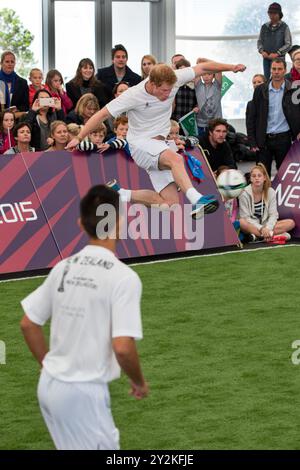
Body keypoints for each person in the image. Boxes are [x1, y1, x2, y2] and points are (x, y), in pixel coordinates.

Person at [20, 184, 148, 450]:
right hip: (83, 390)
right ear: (119, 223)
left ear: (80, 224)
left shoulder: (63, 267)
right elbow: (123, 348)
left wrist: (48, 366)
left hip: (49, 385)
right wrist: (139, 381)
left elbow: (28, 322)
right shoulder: (123, 277)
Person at [67, 60, 246, 219]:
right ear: (152, 84)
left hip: (160, 146)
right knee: (175, 159)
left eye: (171, 90)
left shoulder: (175, 78)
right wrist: (80, 137)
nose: (168, 95)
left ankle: (120, 194)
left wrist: (231, 67)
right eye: (164, 90)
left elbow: (203, 67)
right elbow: (102, 114)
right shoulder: (133, 95)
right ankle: (196, 198)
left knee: (170, 204)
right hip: (140, 144)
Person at [247, 58, 299, 176]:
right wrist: (252, 141)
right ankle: (265, 195)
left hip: (284, 139)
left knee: (285, 175)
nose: (276, 72)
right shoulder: (260, 90)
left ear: (285, 70)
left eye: (279, 69)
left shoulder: (293, 89)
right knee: (262, 176)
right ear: (270, 70)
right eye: (274, 69)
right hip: (263, 140)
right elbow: (252, 117)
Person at [239, 163, 295, 242]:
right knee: (241, 222)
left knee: (291, 223)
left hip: (267, 225)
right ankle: (269, 236)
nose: (257, 178)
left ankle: (258, 237)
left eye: (259, 176)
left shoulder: (270, 192)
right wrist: (261, 228)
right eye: (254, 176)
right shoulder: (244, 194)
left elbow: (273, 215)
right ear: (250, 179)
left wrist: (267, 228)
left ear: (264, 178)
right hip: (252, 226)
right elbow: (245, 217)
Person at [257, 3, 292, 80]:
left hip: (279, 60)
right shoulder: (264, 27)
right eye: (270, 13)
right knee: (266, 80)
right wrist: (262, 51)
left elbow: (288, 44)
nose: (271, 15)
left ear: (279, 14)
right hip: (266, 59)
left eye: (274, 13)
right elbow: (259, 41)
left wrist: (277, 53)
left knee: (279, 79)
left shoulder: (285, 27)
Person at [195, 57, 223, 136]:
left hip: (216, 122)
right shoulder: (198, 85)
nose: (206, 77)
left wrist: (205, 60)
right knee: (202, 146)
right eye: (204, 74)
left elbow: (219, 68)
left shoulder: (217, 86)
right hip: (201, 123)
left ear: (214, 75)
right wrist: (199, 63)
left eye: (209, 74)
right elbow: (196, 69)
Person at [0, 51, 29, 118]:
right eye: (7, 61)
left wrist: (16, 109)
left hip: (16, 120)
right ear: (1, 63)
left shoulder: (23, 82)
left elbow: (26, 106)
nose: (10, 64)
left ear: (15, 64)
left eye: (12, 62)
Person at [172, 58, 198, 124]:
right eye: (181, 70)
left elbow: (198, 102)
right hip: (175, 120)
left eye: (185, 70)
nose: (183, 73)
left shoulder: (194, 86)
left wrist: (196, 107)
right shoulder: (174, 85)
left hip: (189, 121)